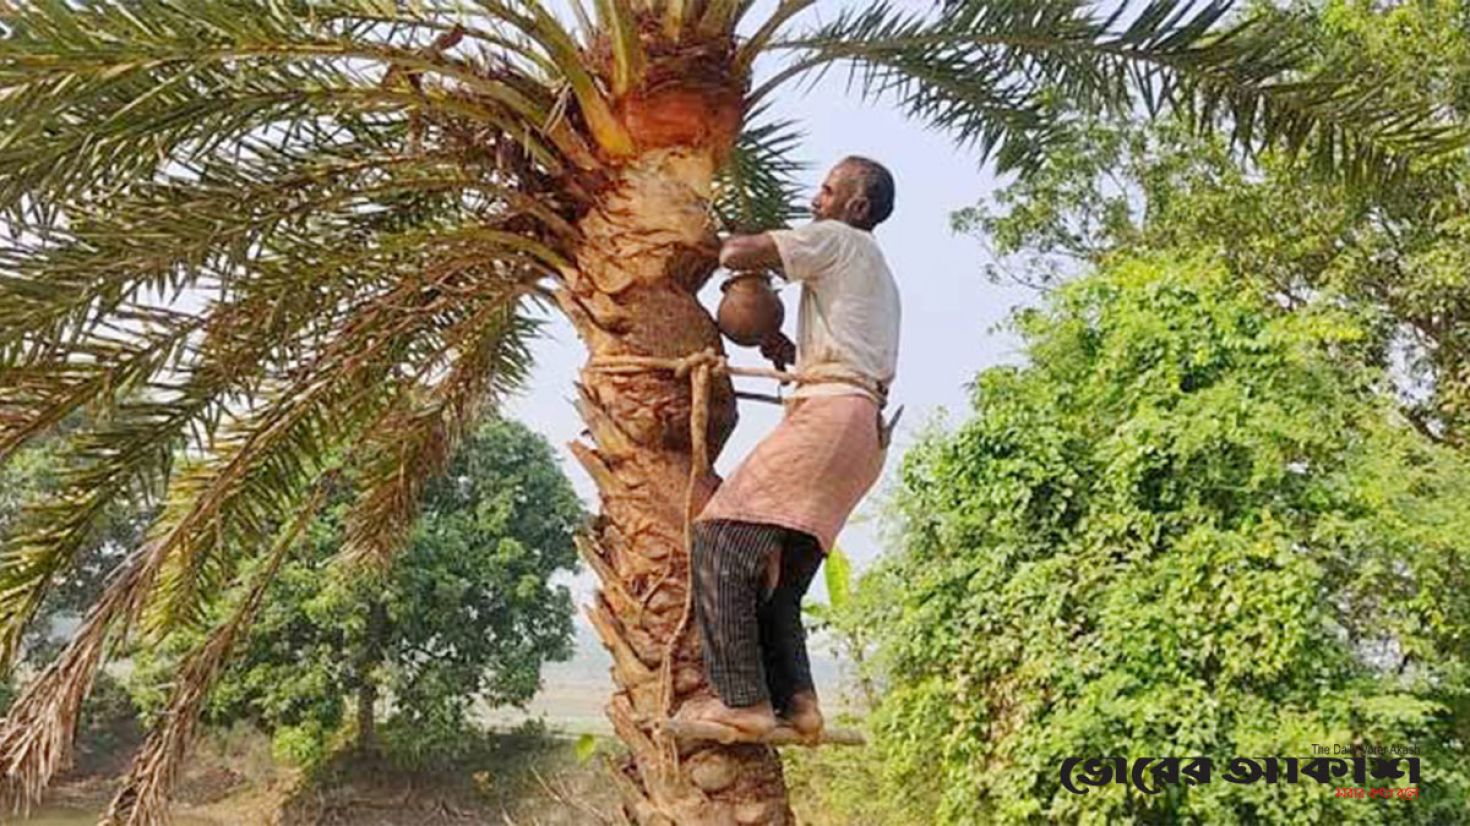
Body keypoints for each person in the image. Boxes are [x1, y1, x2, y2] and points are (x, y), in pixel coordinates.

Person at [675, 156, 901, 743]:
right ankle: (799, 705)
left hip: (829, 419)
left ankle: (743, 703)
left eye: (827, 191)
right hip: (863, 432)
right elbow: (843, 344)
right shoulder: (874, 269)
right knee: (781, 582)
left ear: (857, 207)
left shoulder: (838, 239)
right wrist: (783, 342)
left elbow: (737, 254)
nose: (814, 200)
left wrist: (702, 235)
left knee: (721, 539)